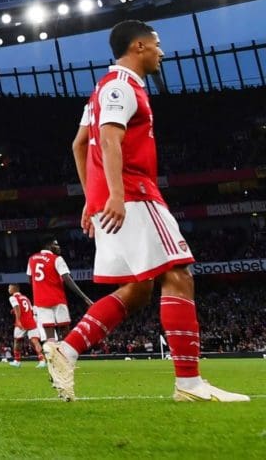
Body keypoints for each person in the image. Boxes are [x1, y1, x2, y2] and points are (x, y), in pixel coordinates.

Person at [45, 20, 248, 403]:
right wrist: (116, 196)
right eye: (156, 45)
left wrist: (92, 198)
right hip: (134, 195)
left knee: (138, 290)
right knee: (180, 274)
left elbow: (78, 144)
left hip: (113, 199)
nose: (162, 51)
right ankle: (189, 384)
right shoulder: (122, 86)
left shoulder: (100, 91)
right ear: (138, 46)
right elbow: (106, 140)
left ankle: (66, 349)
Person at [26, 237, 92, 342]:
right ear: (48, 246)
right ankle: (66, 355)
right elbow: (68, 279)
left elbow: (30, 279)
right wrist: (85, 297)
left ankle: (52, 356)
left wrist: (41, 289)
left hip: (40, 301)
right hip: (57, 299)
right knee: (65, 329)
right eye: (56, 245)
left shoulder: (31, 259)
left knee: (50, 336)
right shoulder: (57, 259)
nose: (59, 247)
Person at [6, 284, 45, 368]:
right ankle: (42, 360)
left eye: (9, 287)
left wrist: (18, 320)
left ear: (14, 289)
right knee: (35, 341)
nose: (8, 289)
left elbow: (17, 307)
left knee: (17, 340)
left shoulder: (13, 298)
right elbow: (30, 309)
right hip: (31, 320)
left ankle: (17, 361)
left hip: (22, 322)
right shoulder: (25, 298)